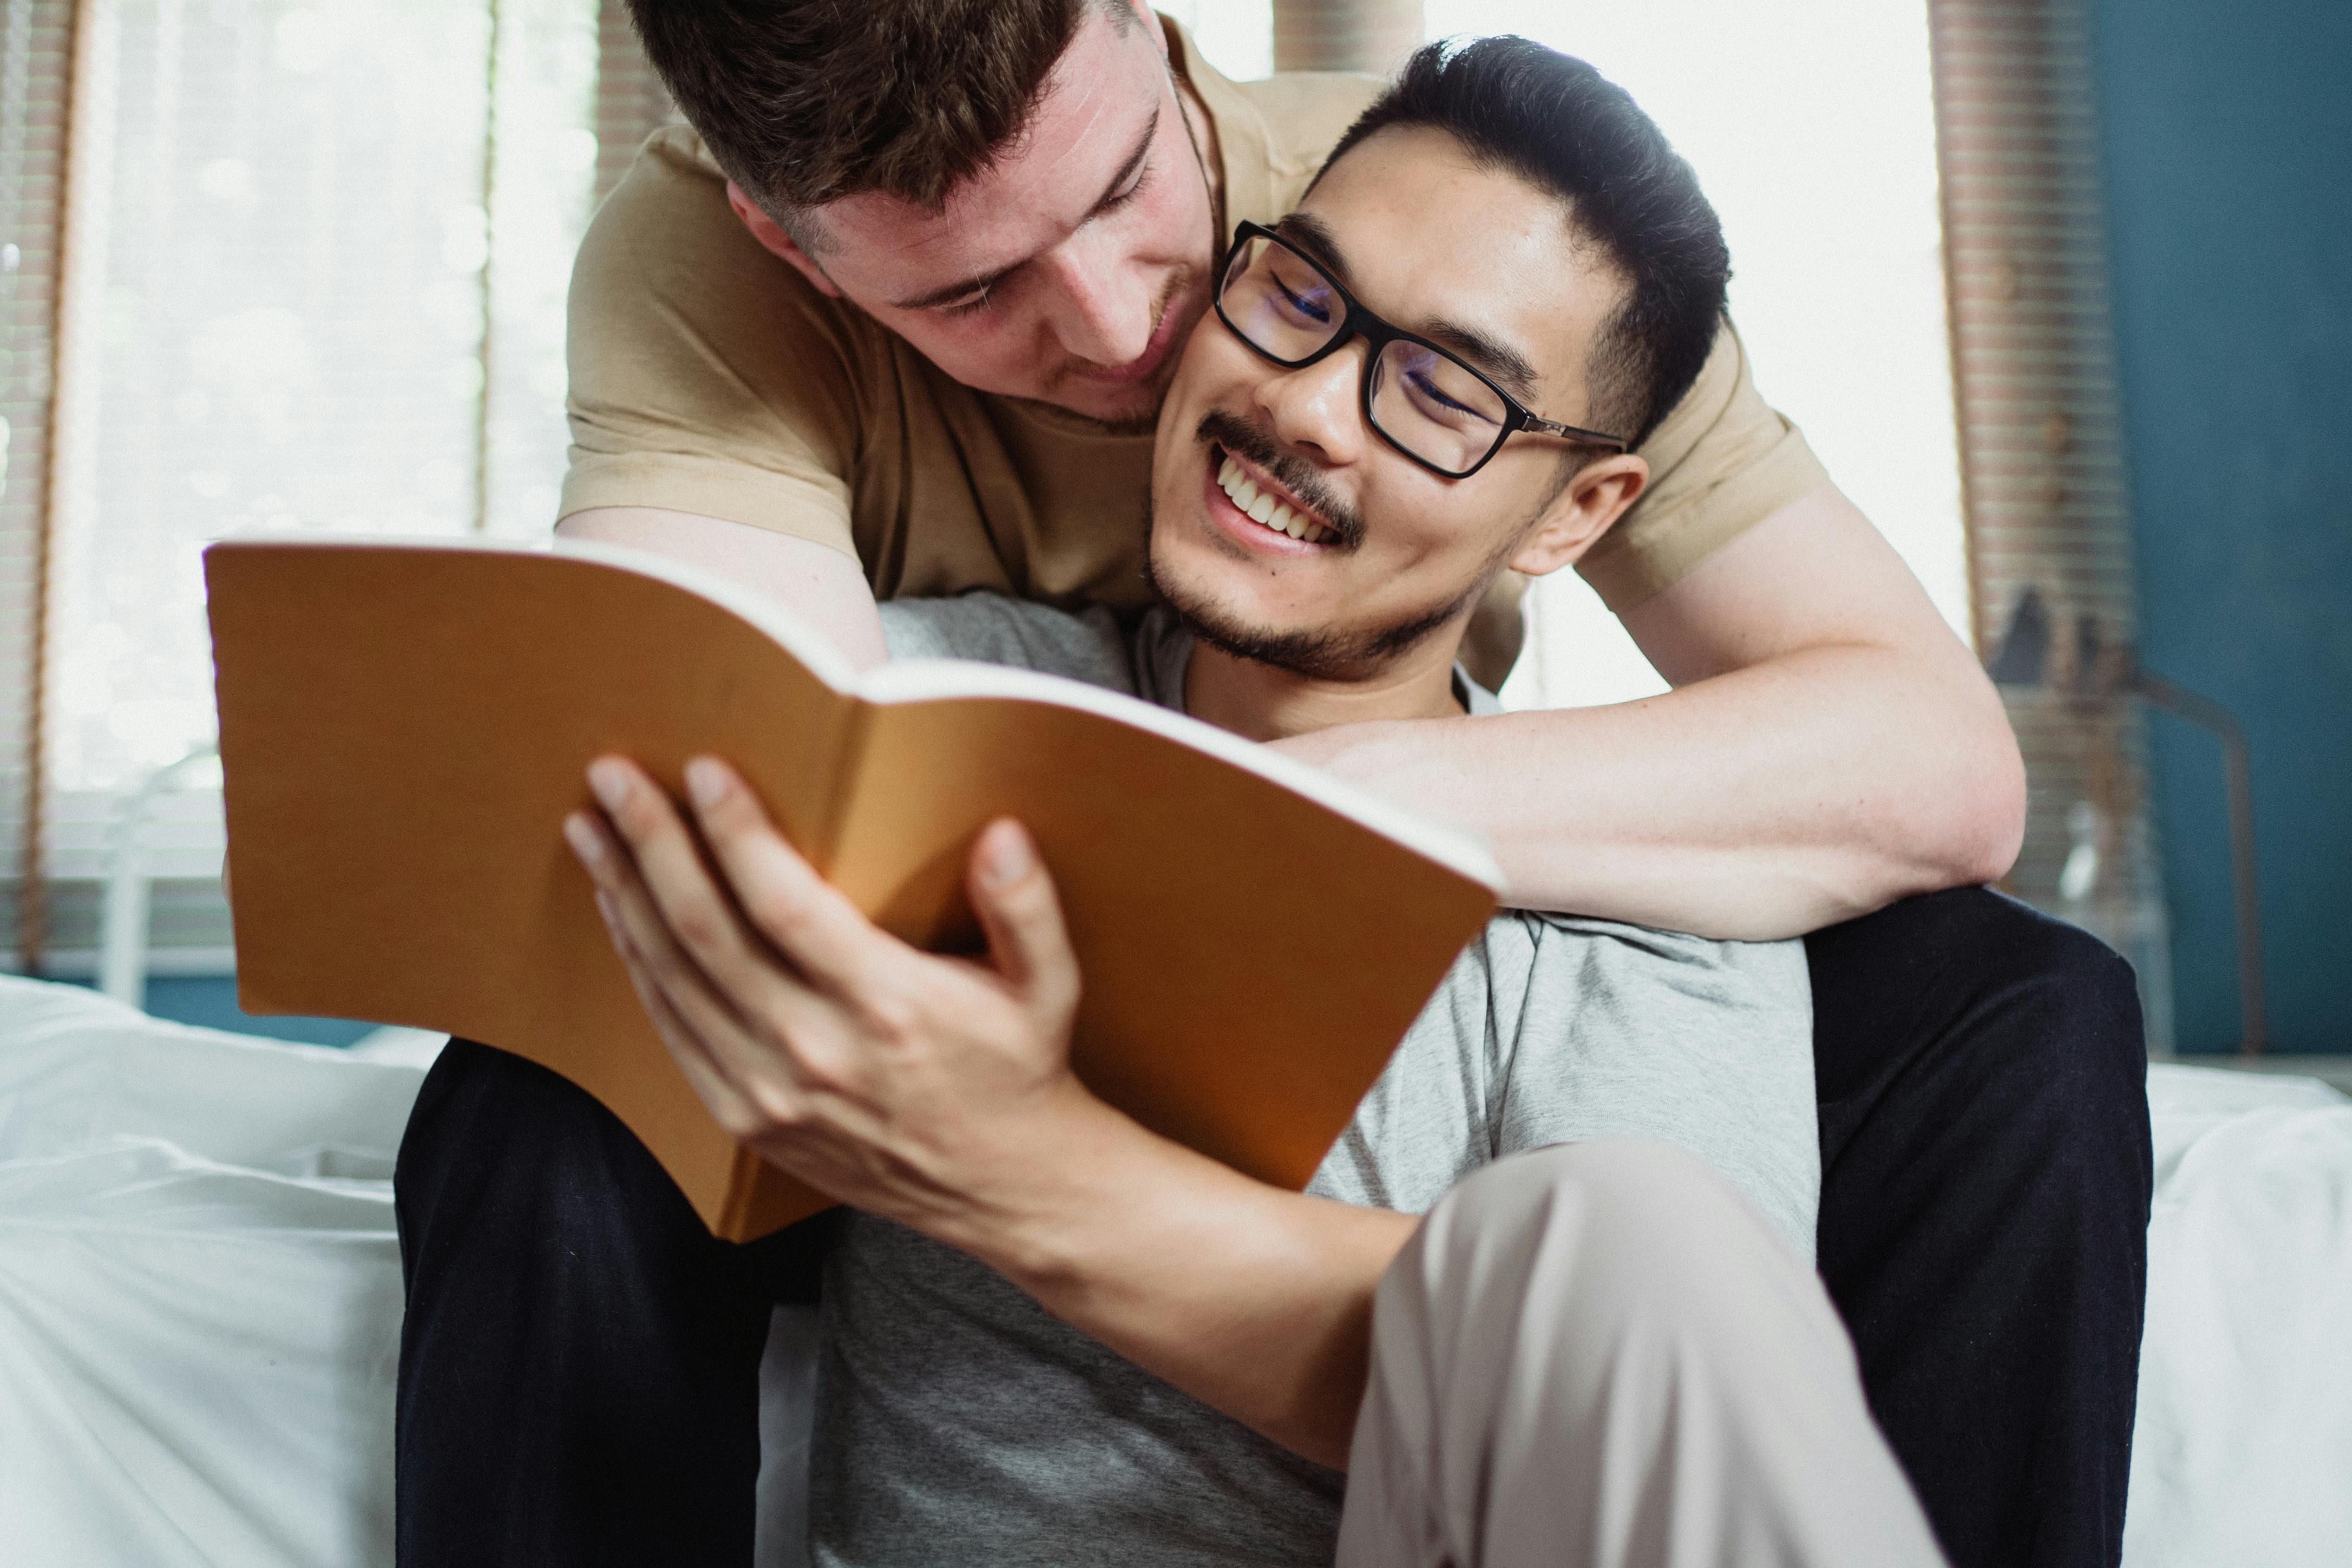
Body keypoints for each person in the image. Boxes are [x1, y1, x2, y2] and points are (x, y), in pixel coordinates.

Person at [559, 4, 2152, 1563]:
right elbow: (688, 775)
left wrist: (1306, 820)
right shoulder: (911, 671)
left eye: (1446, 392)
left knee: (1815, 1136)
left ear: (1574, 513)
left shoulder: (1669, 882)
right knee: (565, 1065)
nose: (1132, 334)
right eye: (1297, 301)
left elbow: (1933, 769)